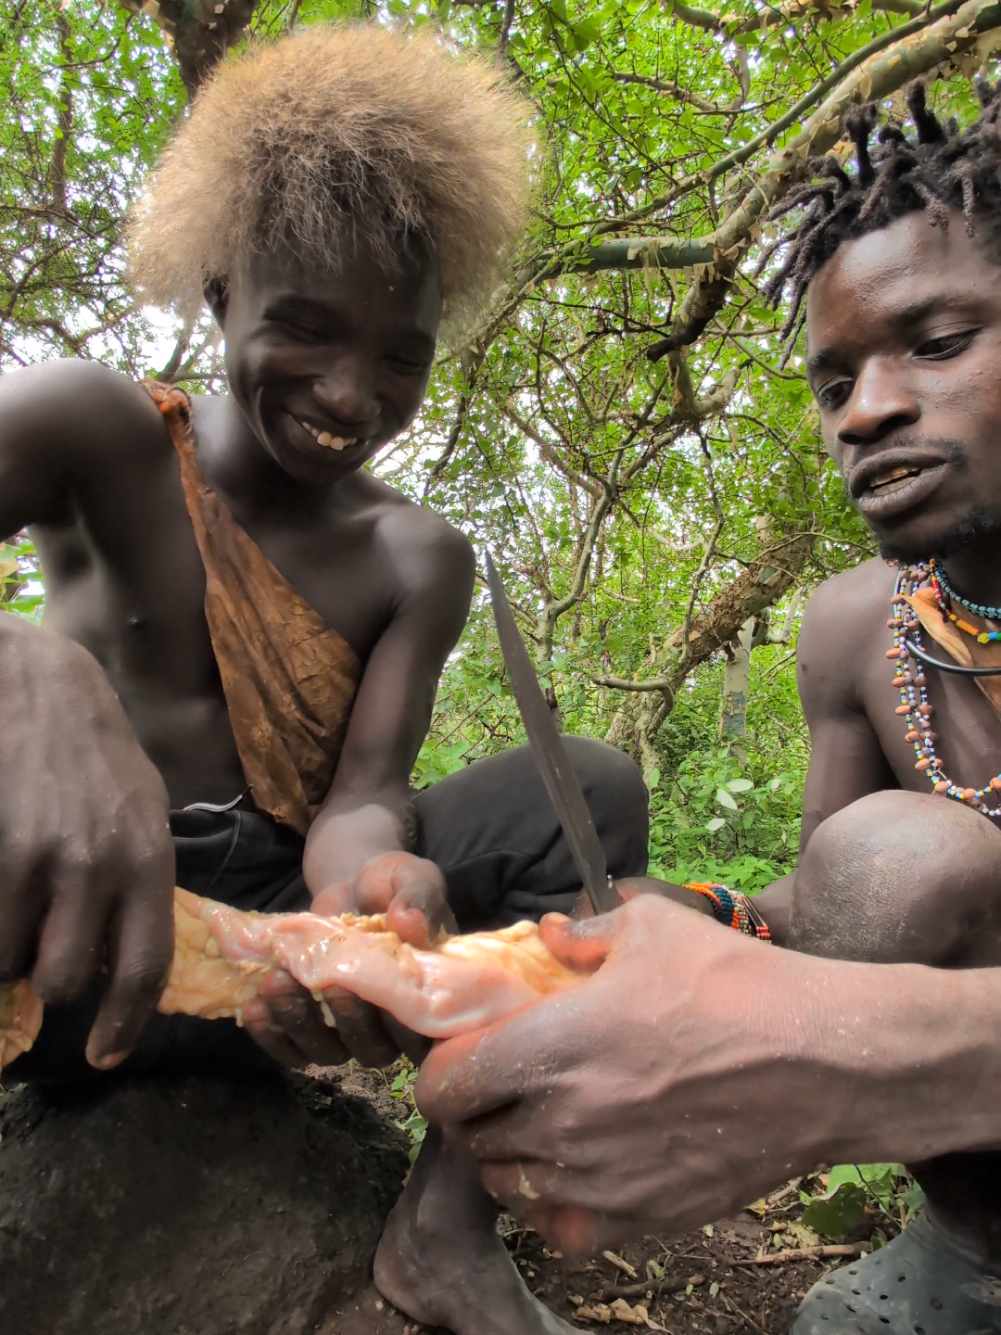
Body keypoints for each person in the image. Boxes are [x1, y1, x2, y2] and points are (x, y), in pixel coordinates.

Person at [0, 24, 654, 1335]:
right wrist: (26, 670)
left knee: (581, 788)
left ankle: (445, 1234)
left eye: (399, 356)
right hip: (66, 941)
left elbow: (361, 785)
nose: (353, 394)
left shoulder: (417, 554)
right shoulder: (88, 427)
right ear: (221, 289)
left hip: (275, 977)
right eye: (305, 327)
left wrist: (369, 882)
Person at [416, 82, 1001, 1335]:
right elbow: (829, 900)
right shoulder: (856, 629)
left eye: (938, 343)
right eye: (832, 378)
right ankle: (970, 1247)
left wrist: (847, 1063)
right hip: (977, 1225)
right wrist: (700, 914)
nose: (867, 409)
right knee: (888, 854)